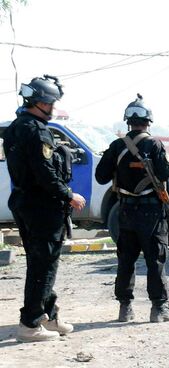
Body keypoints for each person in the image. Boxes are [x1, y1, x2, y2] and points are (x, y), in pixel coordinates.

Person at [3, 75, 86, 342]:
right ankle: (30, 325)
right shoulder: (38, 131)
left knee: (40, 262)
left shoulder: (16, 126)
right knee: (44, 266)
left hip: (24, 203)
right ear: (42, 103)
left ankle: (48, 315)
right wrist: (69, 195)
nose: (54, 108)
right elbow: (45, 173)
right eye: (52, 103)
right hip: (42, 208)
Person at [95, 94, 169, 323]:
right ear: (149, 122)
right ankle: (158, 309)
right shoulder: (154, 144)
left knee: (126, 260)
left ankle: (125, 308)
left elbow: (101, 177)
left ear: (127, 122)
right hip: (151, 212)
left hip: (126, 211)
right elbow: (165, 174)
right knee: (155, 259)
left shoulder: (117, 146)